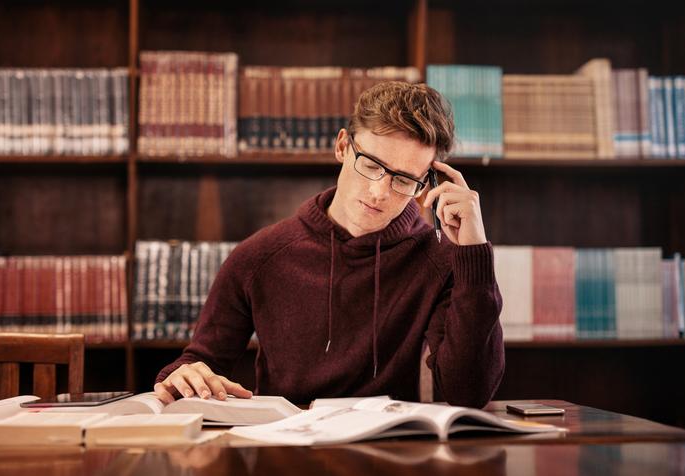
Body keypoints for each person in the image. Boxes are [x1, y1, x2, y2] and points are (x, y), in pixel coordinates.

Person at [154, 81, 504, 407]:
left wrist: (473, 253)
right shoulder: (259, 256)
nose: (378, 192)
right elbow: (199, 362)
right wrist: (184, 377)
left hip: (390, 451)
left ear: (427, 184)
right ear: (342, 146)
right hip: (285, 451)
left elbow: (470, 393)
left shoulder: (441, 261)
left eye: (404, 180)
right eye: (372, 165)